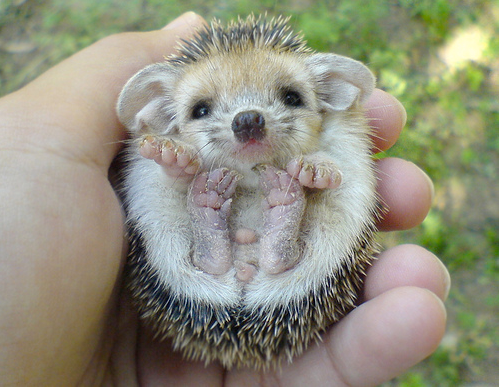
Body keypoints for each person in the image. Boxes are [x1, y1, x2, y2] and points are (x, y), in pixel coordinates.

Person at [0, 12, 449, 386]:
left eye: (289, 97)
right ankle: (276, 234)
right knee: (160, 176)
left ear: (328, 94)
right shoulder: (171, 136)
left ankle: (218, 238)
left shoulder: (330, 128)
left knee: (332, 183)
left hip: (238, 267)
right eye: (201, 109)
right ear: (161, 107)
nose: (247, 121)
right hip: (241, 266)